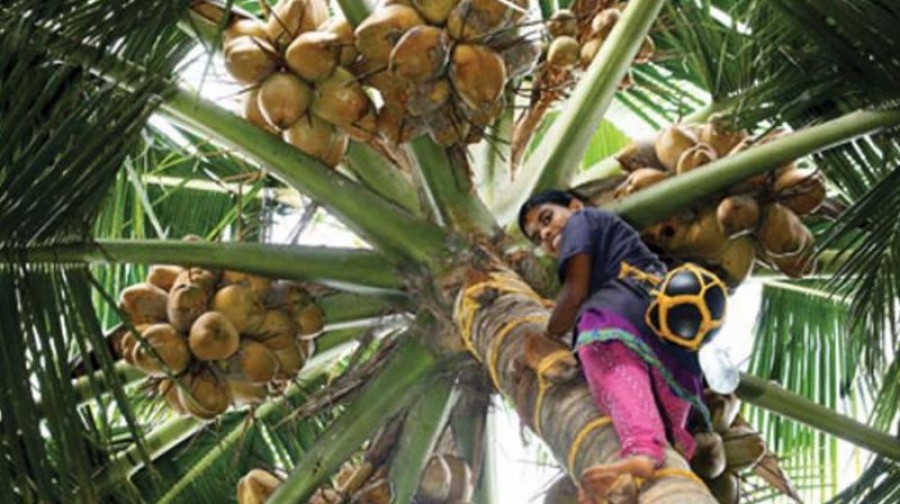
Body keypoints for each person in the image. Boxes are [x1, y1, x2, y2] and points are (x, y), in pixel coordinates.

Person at [518, 189, 704, 502]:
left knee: (603, 353)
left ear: (574, 206)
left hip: (623, 310)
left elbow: (575, 291)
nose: (546, 233)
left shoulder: (582, 220)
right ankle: (671, 443)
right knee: (656, 402)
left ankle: (642, 451)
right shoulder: (609, 242)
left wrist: (548, 335)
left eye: (547, 219)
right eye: (538, 237)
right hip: (668, 336)